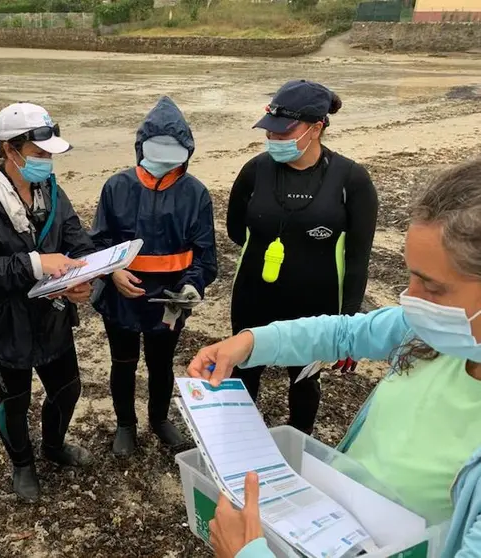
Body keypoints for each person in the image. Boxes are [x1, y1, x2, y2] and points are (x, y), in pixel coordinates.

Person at [189, 159, 481, 558]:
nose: (409, 298)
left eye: (432, 288)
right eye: (410, 277)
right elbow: (343, 333)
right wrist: (251, 341)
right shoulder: (433, 333)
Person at [0, 102, 95, 503]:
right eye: (39, 155)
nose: (47, 163)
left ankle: (54, 446)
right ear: (10, 151)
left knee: (68, 388)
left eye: (51, 155)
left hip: (52, 317)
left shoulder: (51, 190)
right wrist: (36, 263)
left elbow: (76, 240)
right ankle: (23, 464)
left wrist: (83, 279)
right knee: (15, 401)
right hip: (2, 325)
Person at [226, 80, 378, 434]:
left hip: (316, 303)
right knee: (244, 369)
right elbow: (236, 230)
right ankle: (241, 441)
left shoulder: (351, 180)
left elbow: (358, 259)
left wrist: (349, 326)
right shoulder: (254, 171)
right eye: (270, 133)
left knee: (304, 380)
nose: (274, 140)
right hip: (254, 297)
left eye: (284, 133)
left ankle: (298, 443)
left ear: (317, 127)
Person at [90, 96, 217, 457]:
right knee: (123, 362)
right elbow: (98, 242)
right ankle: (125, 424)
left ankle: (159, 419)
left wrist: (193, 284)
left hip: (170, 300)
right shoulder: (117, 187)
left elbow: (204, 253)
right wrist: (113, 272)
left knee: (161, 363)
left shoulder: (195, 193)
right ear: (141, 148)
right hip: (121, 298)